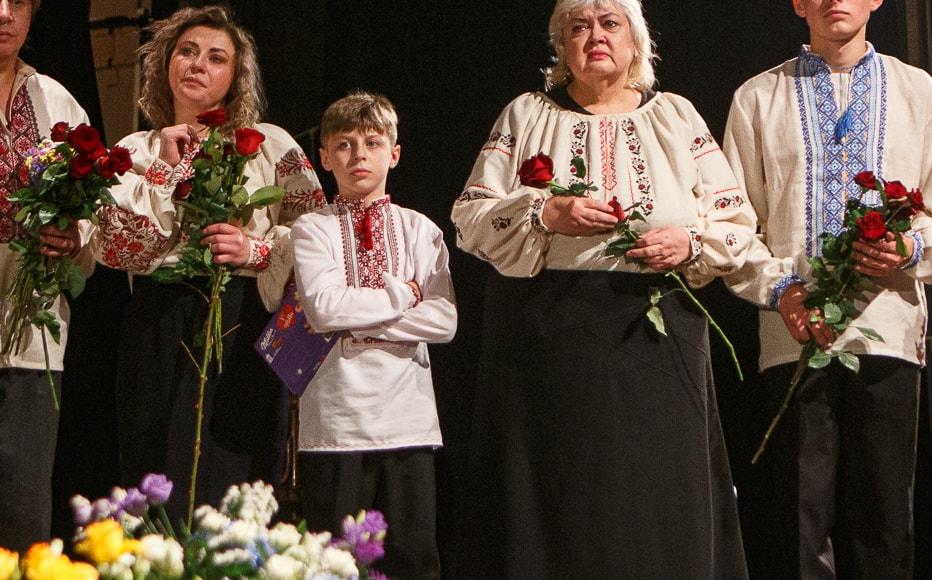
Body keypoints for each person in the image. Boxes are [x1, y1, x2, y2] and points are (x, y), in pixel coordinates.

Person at [448, 0, 757, 577]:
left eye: (610, 23)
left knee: (656, 489)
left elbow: (735, 220)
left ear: (636, 39)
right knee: (560, 491)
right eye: (578, 26)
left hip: (657, 334)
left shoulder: (677, 115)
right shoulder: (526, 114)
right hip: (549, 334)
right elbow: (470, 215)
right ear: (560, 45)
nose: (595, 36)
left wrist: (689, 243)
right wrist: (545, 212)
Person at [722, 0, 932, 577]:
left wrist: (911, 248)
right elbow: (733, 225)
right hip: (794, 333)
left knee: (883, 521)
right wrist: (783, 289)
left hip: (886, 331)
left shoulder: (920, 92)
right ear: (797, 3)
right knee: (797, 519)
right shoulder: (757, 98)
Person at [97, 5, 325, 521]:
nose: (198, 64)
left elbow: (319, 237)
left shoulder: (271, 146)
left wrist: (257, 250)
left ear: (234, 76)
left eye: (216, 57)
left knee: (235, 472)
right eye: (187, 51)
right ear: (165, 64)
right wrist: (166, 173)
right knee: (153, 467)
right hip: (158, 320)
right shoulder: (135, 150)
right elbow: (113, 248)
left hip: (241, 318)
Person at [291, 91, 457, 580]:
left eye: (371, 142)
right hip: (336, 424)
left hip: (408, 422)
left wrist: (358, 310)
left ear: (394, 153)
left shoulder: (421, 229)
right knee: (332, 563)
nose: (358, 155)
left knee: (413, 559)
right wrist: (402, 296)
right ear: (324, 157)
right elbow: (323, 309)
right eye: (343, 144)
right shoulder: (312, 229)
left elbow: (444, 322)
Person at [0, 0, 92, 552]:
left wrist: (74, 234)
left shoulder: (54, 100)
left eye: (17, 1)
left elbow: (93, 206)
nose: (4, 13)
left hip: (31, 333)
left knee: (21, 502)